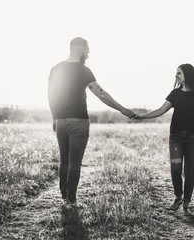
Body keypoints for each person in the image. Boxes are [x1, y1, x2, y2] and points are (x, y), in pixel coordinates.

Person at [48, 37, 135, 203]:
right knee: (74, 162)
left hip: (60, 121)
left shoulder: (56, 69)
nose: (88, 55)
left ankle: (64, 196)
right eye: (87, 52)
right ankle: (71, 200)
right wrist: (122, 109)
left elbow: (51, 95)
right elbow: (101, 94)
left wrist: (54, 117)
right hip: (79, 121)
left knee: (64, 162)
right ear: (80, 50)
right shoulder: (84, 70)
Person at [134, 63, 194, 215]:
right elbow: (160, 110)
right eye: (176, 74)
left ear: (188, 75)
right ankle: (178, 197)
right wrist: (141, 117)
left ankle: (187, 204)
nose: (176, 76)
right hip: (175, 137)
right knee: (175, 170)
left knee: (189, 171)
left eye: (179, 73)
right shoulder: (175, 94)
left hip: (193, 139)